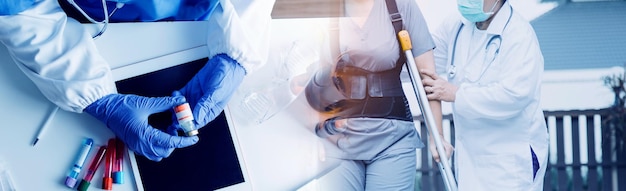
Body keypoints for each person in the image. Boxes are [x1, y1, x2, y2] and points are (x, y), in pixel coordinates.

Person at [0, 0, 270, 161]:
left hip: (199, 24)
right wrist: (93, 96)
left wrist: (236, 49)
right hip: (91, 20)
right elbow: (19, 10)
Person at [308, 0, 453, 190]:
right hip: (338, 140)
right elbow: (322, 85)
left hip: (393, 139)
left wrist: (437, 135)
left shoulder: (401, 6)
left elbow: (427, 78)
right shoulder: (330, 11)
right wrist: (317, 135)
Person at [421, 0, 549, 190]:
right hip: (470, 160)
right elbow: (423, 59)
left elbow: (514, 95)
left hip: (510, 162)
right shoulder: (456, 26)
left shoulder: (518, 34)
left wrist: (456, 93)